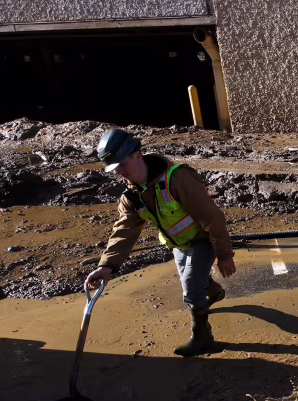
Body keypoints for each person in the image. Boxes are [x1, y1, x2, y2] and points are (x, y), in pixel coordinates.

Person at [84, 128, 236, 357]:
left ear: (137, 155)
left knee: (191, 289)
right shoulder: (131, 196)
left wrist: (224, 254)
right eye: (114, 169)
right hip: (177, 245)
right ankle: (213, 292)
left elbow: (212, 217)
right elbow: (124, 230)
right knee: (196, 281)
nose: (119, 173)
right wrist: (106, 266)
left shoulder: (177, 178)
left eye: (121, 165)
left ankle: (202, 337)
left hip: (202, 241)